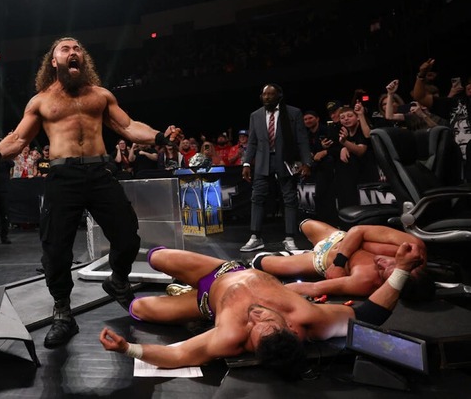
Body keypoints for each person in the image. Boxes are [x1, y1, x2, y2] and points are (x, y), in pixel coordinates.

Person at [0, 37, 179, 349]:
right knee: (56, 250)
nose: (74, 52)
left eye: (78, 48)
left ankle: (118, 280)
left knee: (127, 236)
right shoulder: (41, 101)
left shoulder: (100, 95)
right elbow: (18, 139)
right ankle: (63, 313)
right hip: (62, 176)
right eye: (65, 48)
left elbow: (128, 126)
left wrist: (159, 136)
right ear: (53, 61)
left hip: (100, 173)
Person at [100, 241, 424, 377]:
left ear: (248, 343)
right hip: (225, 270)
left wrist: (127, 348)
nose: (255, 316)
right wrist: (403, 269)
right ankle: (177, 282)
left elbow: (177, 355)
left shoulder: (229, 337)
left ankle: (173, 294)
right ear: (293, 329)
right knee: (157, 257)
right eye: (268, 318)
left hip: (205, 303)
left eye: (257, 326)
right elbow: (371, 315)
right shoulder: (308, 318)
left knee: (139, 308)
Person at [249, 219, 433, 298]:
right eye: (391, 264)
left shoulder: (365, 282)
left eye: (383, 272)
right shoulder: (412, 244)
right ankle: (303, 250)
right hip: (338, 238)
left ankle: (299, 255)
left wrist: (263, 296)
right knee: (304, 224)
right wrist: (339, 263)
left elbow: (313, 287)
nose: (381, 263)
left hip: (319, 260)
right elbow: (358, 230)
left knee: (258, 261)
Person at [241, 84, 312, 252]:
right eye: (264, 95)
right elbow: (252, 142)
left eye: (270, 95)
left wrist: (307, 162)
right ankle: (255, 237)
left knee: (289, 198)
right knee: (257, 197)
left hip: (287, 160)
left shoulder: (293, 113)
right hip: (263, 161)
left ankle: (289, 238)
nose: (266, 97)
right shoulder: (255, 115)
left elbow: (302, 140)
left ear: (279, 96)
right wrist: (246, 163)